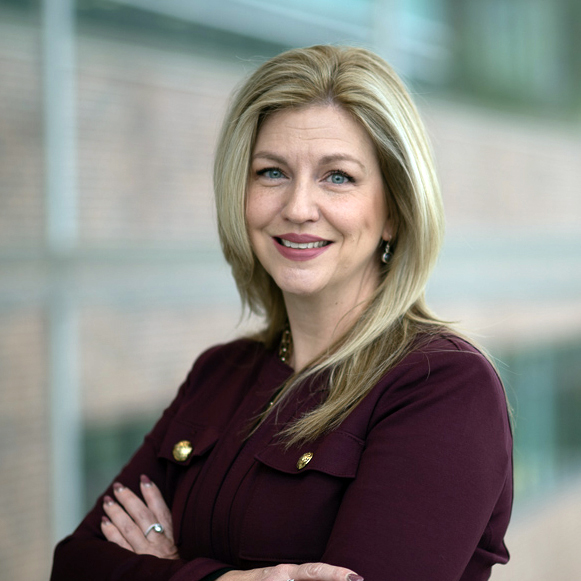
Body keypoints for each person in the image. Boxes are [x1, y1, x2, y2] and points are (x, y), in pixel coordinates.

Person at [50, 45, 513, 581]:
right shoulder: (219, 372)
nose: (296, 207)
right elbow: (73, 564)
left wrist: (169, 567)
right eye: (271, 172)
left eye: (337, 176)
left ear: (394, 212)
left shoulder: (441, 386)